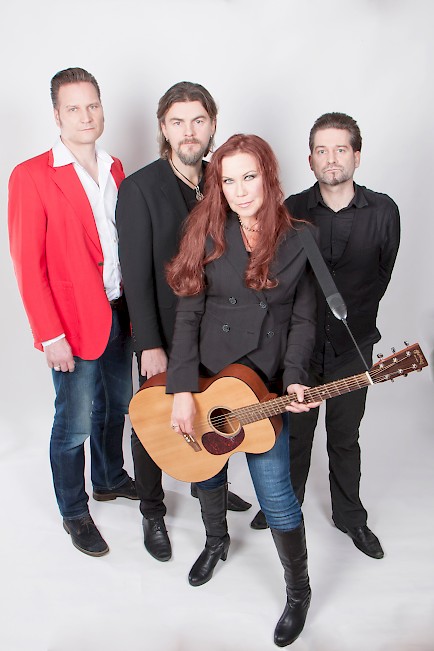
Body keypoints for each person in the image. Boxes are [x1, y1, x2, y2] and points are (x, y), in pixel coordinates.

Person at [165, 134, 321, 647]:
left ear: (268, 177)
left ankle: (298, 591)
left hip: (267, 383)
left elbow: (303, 318)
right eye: (228, 180)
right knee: (208, 473)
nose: (239, 190)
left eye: (249, 177)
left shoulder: (300, 238)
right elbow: (188, 316)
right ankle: (216, 542)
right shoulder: (205, 231)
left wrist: (294, 377)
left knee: (276, 496)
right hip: (210, 379)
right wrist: (182, 390)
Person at [250, 113, 400, 560]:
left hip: (354, 346)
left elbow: (382, 274)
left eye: (340, 149)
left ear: (357, 155)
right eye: (321, 150)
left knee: (344, 436)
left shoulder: (384, 211)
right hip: (299, 347)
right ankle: (283, 503)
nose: (331, 158)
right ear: (310, 160)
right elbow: (278, 276)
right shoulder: (290, 209)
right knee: (295, 434)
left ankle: (350, 517)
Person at [116, 82, 251, 564]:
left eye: (198, 120)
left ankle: (207, 484)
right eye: (178, 121)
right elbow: (135, 275)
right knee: (151, 420)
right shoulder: (139, 188)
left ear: (212, 125)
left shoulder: (223, 179)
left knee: (212, 409)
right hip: (165, 333)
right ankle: (152, 509)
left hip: (219, 332)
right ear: (163, 128)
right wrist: (148, 343)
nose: (189, 131)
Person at [8, 67, 136, 558]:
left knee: (116, 406)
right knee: (75, 422)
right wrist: (50, 334)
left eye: (93, 106)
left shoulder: (116, 167)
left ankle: (108, 478)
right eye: (74, 108)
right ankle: (74, 511)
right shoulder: (31, 176)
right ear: (57, 115)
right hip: (71, 323)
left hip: (119, 312)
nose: (86, 116)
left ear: (102, 109)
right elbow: (28, 264)